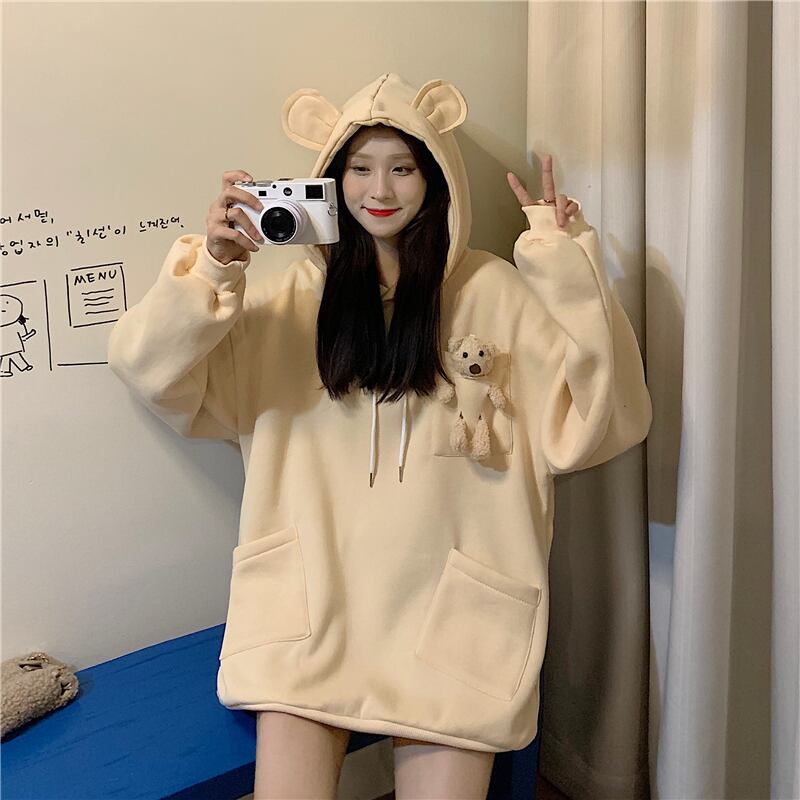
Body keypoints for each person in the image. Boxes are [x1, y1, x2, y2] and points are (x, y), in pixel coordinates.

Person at [107, 73, 653, 799]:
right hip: (312, 616)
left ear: (435, 179)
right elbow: (150, 369)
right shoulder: (296, 302)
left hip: (452, 622)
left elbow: (601, 421)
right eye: (360, 168)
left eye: (403, 167)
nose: (380, 189)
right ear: (332, 180)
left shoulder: (491, 293)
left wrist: (565, 261)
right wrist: (214, 267)